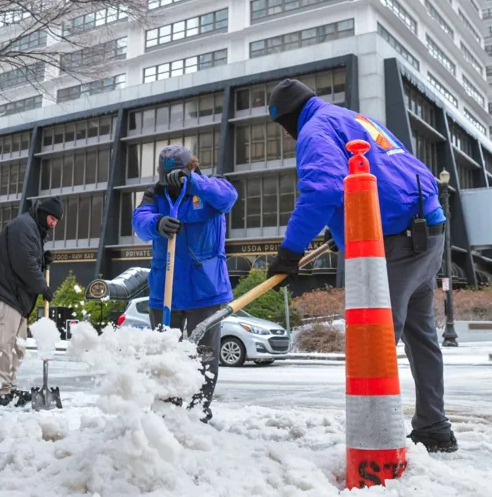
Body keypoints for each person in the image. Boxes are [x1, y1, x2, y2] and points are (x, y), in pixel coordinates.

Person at [264, 79, 457, 453]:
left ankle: (375, 442)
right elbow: (373, 175)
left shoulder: (314, 129)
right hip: (428, 229)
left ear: (288, 118)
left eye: (283, 126)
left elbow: (322, 188)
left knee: (376, 340)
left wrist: (289, 251)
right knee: (422, 337)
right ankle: (434, 426)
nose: (288, 134)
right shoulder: (350, 118)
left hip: (398, 240)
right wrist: (343, 226)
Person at [132, 145, 238, 423]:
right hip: (164, 289)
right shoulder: (155, 194)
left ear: (191, 166)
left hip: (206, 289)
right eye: (164, 173)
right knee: (165, 354)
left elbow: (228, 197)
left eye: (174, 173)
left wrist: (192, 182)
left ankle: (199, 411)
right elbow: (139, 221)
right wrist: (156, 222)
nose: (168, 179)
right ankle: (168, 411)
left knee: (205, 355)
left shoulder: (210, 188)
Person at [0, 197, 62, 406]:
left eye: (57, 221)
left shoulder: (33, 228)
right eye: (52, 218)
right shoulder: (23, 227)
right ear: (43, 214)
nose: (53, 224)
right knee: (1, 341)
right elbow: (24, 263)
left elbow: (29, 258)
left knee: (17, 346)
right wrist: (42, 286)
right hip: (2, 291)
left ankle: (10, 387)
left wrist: (42, 259)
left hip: (15, 296)